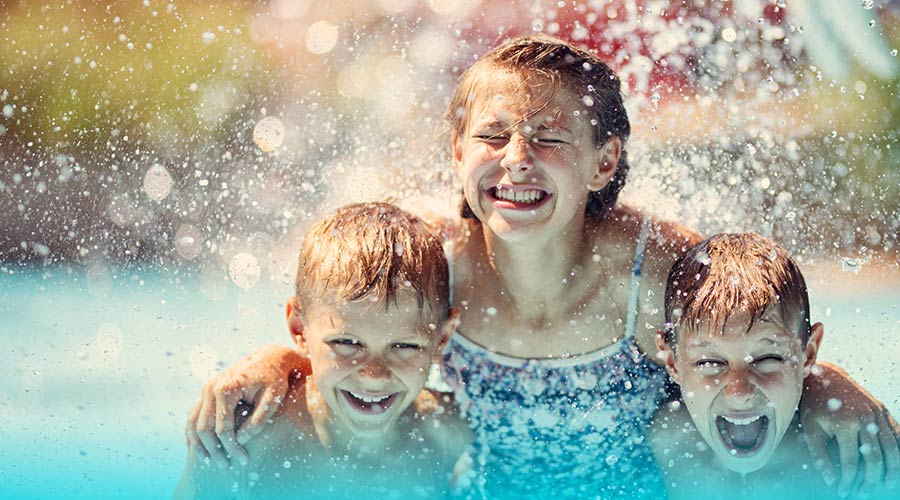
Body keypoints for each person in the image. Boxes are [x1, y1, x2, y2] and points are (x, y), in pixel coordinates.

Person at [184, 35, 900, 498]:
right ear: (458, 155)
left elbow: (757, 331)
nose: (518, 158)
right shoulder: (432, 264)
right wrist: (273, 365)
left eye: (551, 136)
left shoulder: (656, 270)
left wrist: (831, 381)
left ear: (605, 162)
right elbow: (337, 328)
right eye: (492, 135)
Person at [174, 203, 472, 499]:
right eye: (346, 343)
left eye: (405, 346)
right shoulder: (247, 434)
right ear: (299, 329)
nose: (373, 375)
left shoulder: (449, 434)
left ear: (441, 339)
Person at [649, 233, 895, 499]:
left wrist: (827, 383)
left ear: (808, 353)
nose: (739, 392)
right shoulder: (665, 440)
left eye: (768, 359)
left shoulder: (856, 454)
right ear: (672, 362)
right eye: (710, 362)